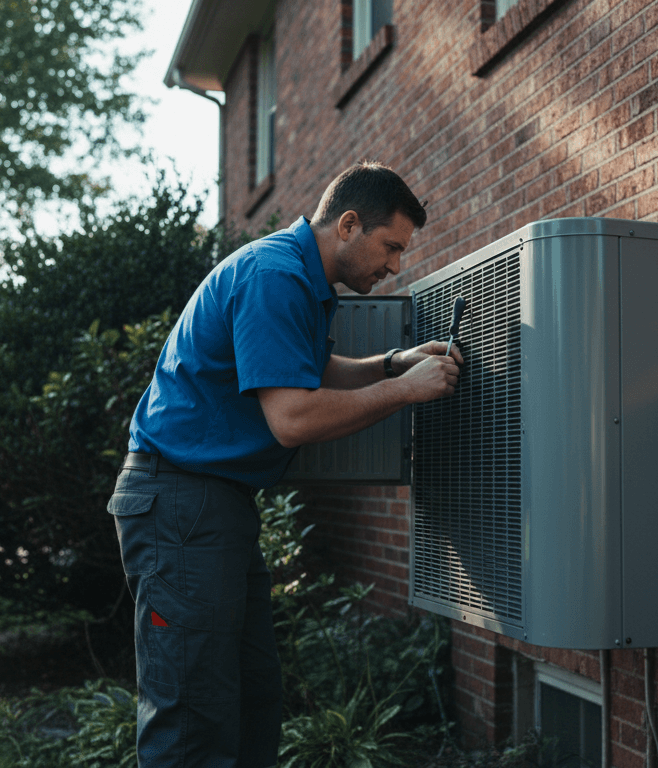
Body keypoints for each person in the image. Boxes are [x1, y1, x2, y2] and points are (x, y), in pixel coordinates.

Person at [107, 162, 462, 768]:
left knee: (249, 701)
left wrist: (393, 363)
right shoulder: (275, 276)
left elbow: (305, 372)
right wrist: (408, 392)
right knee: (193, 716)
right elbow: (293, 417)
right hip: (181, 507)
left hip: (210, 509)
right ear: (349, 225)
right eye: (392, 246)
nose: (396, 266)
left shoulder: (298, 276)